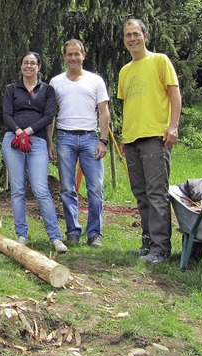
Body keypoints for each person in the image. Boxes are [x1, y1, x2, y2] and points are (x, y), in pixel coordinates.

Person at [118, 19, 182, 264]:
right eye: (127, 36)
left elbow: (174, 94)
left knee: (157, 194)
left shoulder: (160, 61)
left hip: (155, 137)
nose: (132, 39)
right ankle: (147, 243)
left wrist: (173, 126)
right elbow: (129, 106)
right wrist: (124, 137)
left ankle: (160, 249)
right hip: (132, 140)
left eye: (136, 34)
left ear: (145, 35)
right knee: (141, 195)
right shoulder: (125, 70)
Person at [2, 52, 67, 253]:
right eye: (25, 63)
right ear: (21, 67)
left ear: (39, 67)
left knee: (40, 189)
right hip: (13, 141)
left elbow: (49, 116)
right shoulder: (11, 89)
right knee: (18, 189)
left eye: (33, 63)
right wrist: (18, 132)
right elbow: (6, 114)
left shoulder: (47, 90)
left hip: (37, 142)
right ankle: (21, 234)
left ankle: (55, 237)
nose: (28, 66)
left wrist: (29, 132)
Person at [49, 39, 110, 248]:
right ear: (64, 57)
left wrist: (103, 140)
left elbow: (104, 112)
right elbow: (51, 115)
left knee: (95, 188)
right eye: (69, 54)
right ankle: (73, 231)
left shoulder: (95, 81)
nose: (73, 58)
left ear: (84, 55)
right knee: (67, 188)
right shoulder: (55, 82)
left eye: (77, 54)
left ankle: (94, 233)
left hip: (90, 138)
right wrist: (50, 141)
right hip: (65, 137)